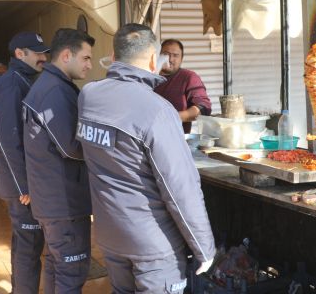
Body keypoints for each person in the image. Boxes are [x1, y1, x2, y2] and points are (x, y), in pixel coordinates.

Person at [76, 24, 215, 294]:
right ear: (154, 60)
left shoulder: (88, 96)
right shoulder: (159, 110)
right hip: (153, 246)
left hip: (111, 235)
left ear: (113, 57)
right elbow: (179, 188)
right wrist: (204, 248)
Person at [22, 28, 95, 293]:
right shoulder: (55, 92)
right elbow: (72, 147)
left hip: (51, 198)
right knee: (71, 272)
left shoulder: (49, 86)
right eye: (86, 58)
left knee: (56, 265)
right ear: (66, 55)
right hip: (62, 202)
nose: (89, 64)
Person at [0, 32, 49, 294]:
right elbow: (7, 140)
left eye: (45, 52)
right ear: (20, 54)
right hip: (21, 185)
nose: (43, 58)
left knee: (25, 243)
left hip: (22, 182)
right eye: (38, 53)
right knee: (29, 246)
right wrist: (25, 185)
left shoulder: (21, 79)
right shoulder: (13, 84)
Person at [154, 38, 212, 133]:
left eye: (175, 55)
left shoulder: (188, 77)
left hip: (177, 139)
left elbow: (204, 107)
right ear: (158, 55)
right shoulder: (149, 76)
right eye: (165, 54)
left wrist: (172, 118)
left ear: (181, 59)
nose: (170, 59)